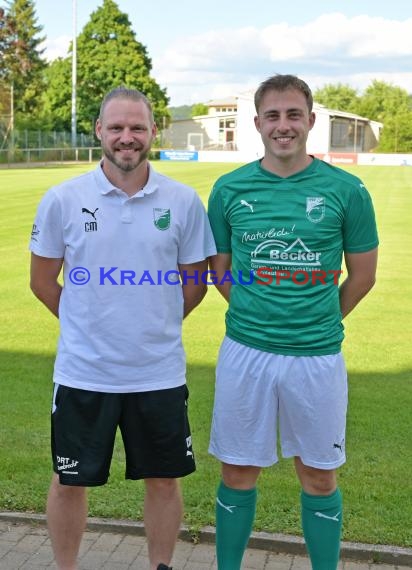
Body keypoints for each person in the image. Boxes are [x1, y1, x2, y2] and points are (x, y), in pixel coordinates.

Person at [29, 87, 216, 570]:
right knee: (69, 480)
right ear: (99, 131)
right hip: (83, 373)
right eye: (116, 127)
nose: (127, 137)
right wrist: (86, 325)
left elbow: (196, 285)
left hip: (158, 373)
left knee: (164, 480)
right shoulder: (63, 199)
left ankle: (160, 567)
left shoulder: (183, 201)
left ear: (154, 132)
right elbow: (42, 281)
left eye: (137, 127)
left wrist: (152, 324)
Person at [207, 74, 378, 570]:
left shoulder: (346, 190)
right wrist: (255, 310)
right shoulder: (229, 188)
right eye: (274, 116)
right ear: (258, 123)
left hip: (317, 357)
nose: (284, 125)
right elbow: (219, 270)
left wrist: (318, 318)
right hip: (246, 353)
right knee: (238, 471)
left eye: (293, 114)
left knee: (320, 475)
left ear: (310, 120)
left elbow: (362, 276)